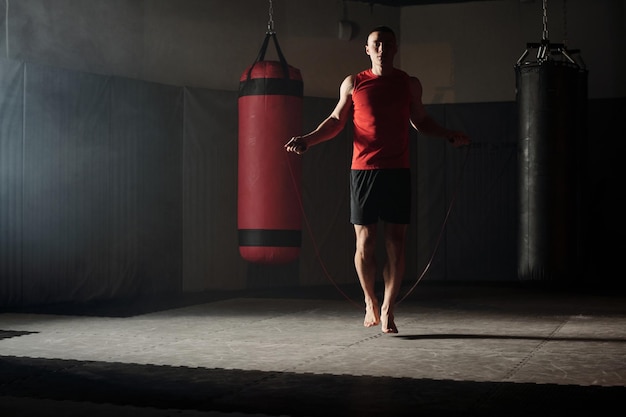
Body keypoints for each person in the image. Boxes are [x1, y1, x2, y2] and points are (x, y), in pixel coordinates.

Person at [284, 26, 470, 333]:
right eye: (376, 44)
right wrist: (307, 139)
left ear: (395, 48)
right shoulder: (354, 82)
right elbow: (335, 121)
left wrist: (448, 133)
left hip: (397, 171)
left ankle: (388, 307)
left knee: (396, 243)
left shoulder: (409, 84)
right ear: (368, 50)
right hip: (363, 171)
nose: (382, 48)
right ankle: (370, 300)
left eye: (387, 43)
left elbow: (420, 120)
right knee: (366, 242)